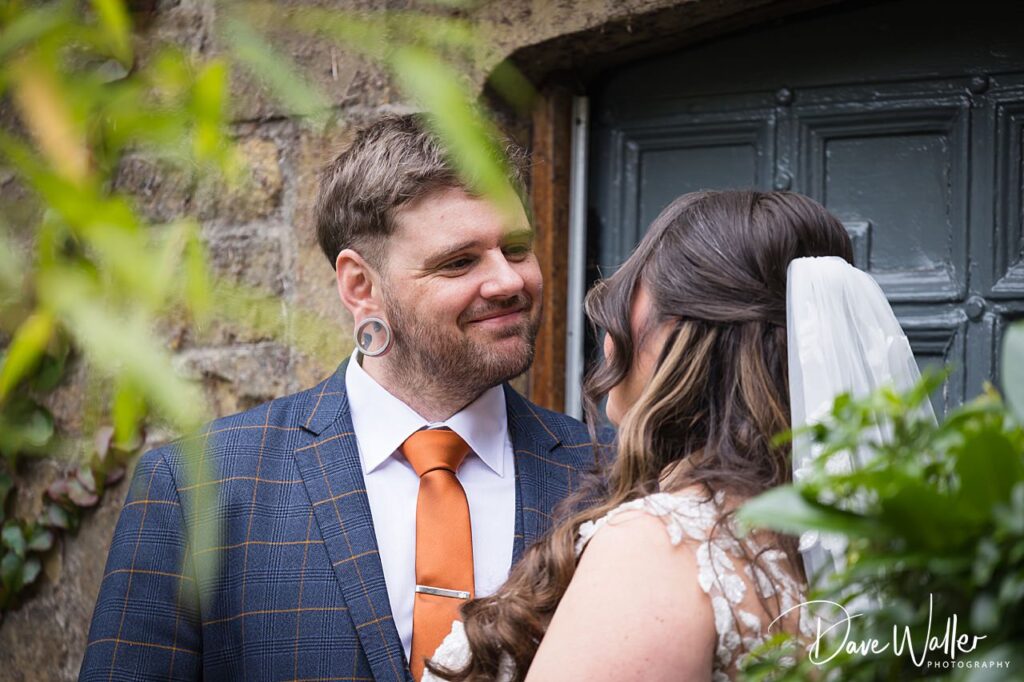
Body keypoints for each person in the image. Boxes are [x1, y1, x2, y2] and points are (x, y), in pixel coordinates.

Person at [80, 114, 599, 682]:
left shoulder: (611, 473)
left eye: (518, 248)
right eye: (459, 261)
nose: (508, 281)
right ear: (361, 286)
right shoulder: (195, 486)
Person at [424, 189, 905, 681]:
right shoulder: (833, 540)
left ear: (680, 332)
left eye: (623, 295)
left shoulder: (662, 545)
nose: (606, 330)